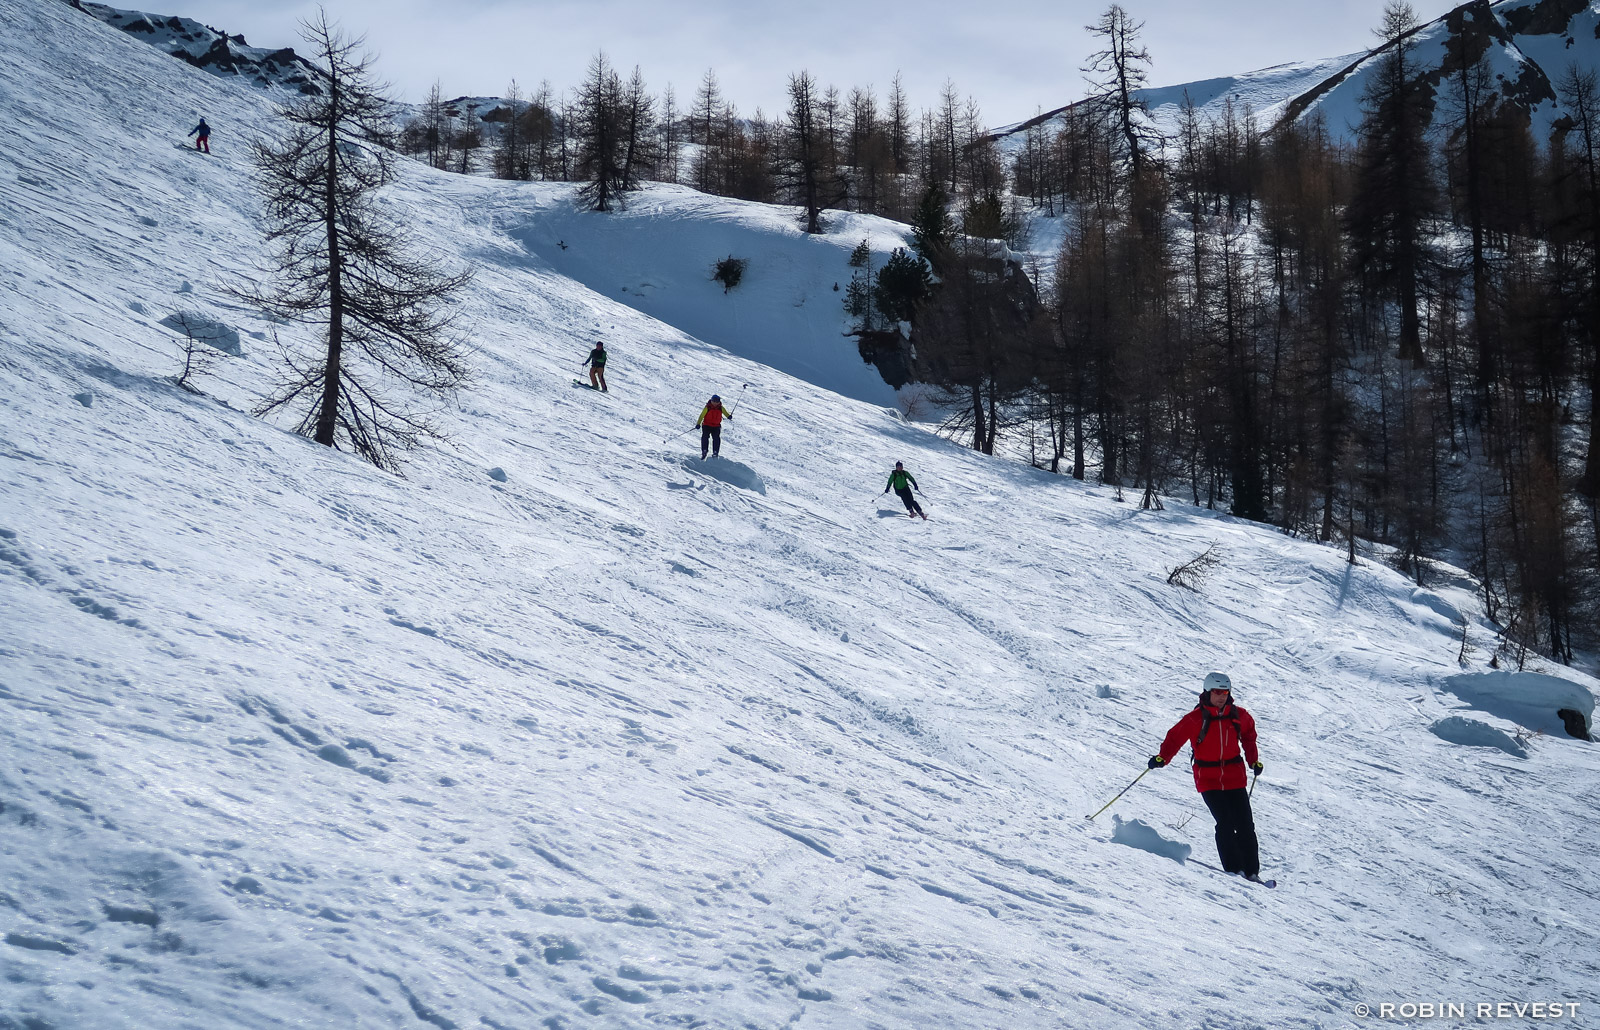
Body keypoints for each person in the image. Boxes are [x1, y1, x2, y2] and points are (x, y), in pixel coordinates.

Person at [1147, 673, 1266, 880]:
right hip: (1208, 778)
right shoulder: (1196, 718)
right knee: (1225, 822)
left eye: (1225, 692)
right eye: (1217, 692)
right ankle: (1234, 870)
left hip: (1234, 776)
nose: (1221, 696)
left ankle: (1252, 872)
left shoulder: (1239, 715)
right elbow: (1175, 738)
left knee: (1245, 824)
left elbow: (1248, 736)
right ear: (1208, 692)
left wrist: (1253, 760)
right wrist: (1162, 758)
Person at [696, 394, 732, 459]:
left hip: (716, 426)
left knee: (716, 438)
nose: (715, 403)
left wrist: (728, 416)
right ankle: (704, 450)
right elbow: (701, 416)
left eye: (717, 401)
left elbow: (725, 413)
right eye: (714, 401)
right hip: (707, 425)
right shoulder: (707, 407)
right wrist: (698, 424)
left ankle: (715, 452)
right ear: (711, 400)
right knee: (705, 437)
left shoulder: (721, 408)